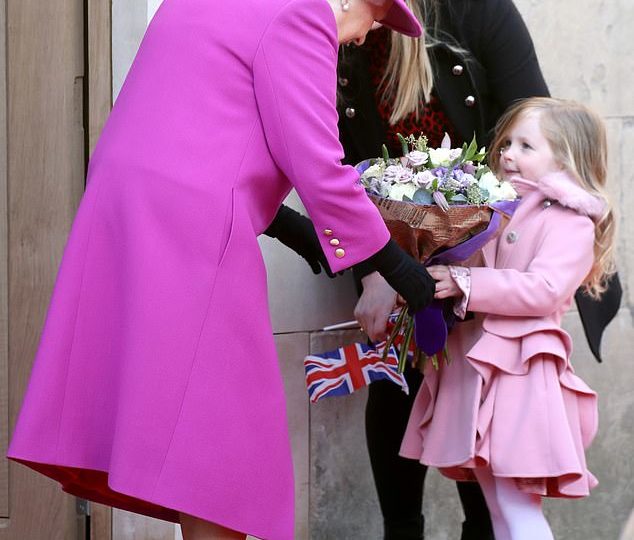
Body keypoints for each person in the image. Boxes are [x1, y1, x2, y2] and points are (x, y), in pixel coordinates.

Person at [7, 1, 437, 539]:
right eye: (374, 20)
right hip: (191, 229)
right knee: (223, 446)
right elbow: (318, 164)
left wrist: (295, 231)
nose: (362, 38)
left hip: (127, 212)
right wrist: (395, 264)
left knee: (192, 438)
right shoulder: (301, 15)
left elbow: (198, 127)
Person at [336, 1, 621, 538]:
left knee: (487, 435)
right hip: (388, 239)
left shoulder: (474, 8)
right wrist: (375, 268)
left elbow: (538, 126)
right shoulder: (342, 27)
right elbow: (335, 162)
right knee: (397, 385)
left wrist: (473, 270)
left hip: (487, 251)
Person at [400, 96, 613, 540]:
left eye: (526, 146)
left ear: (566, 157)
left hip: (519, 372)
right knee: (499, 508)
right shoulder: (493, 210)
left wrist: (467, 283)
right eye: (507, 143)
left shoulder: (570, 221)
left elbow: (546, 289)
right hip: (480, 366)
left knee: (517, 509)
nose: (507, 154)